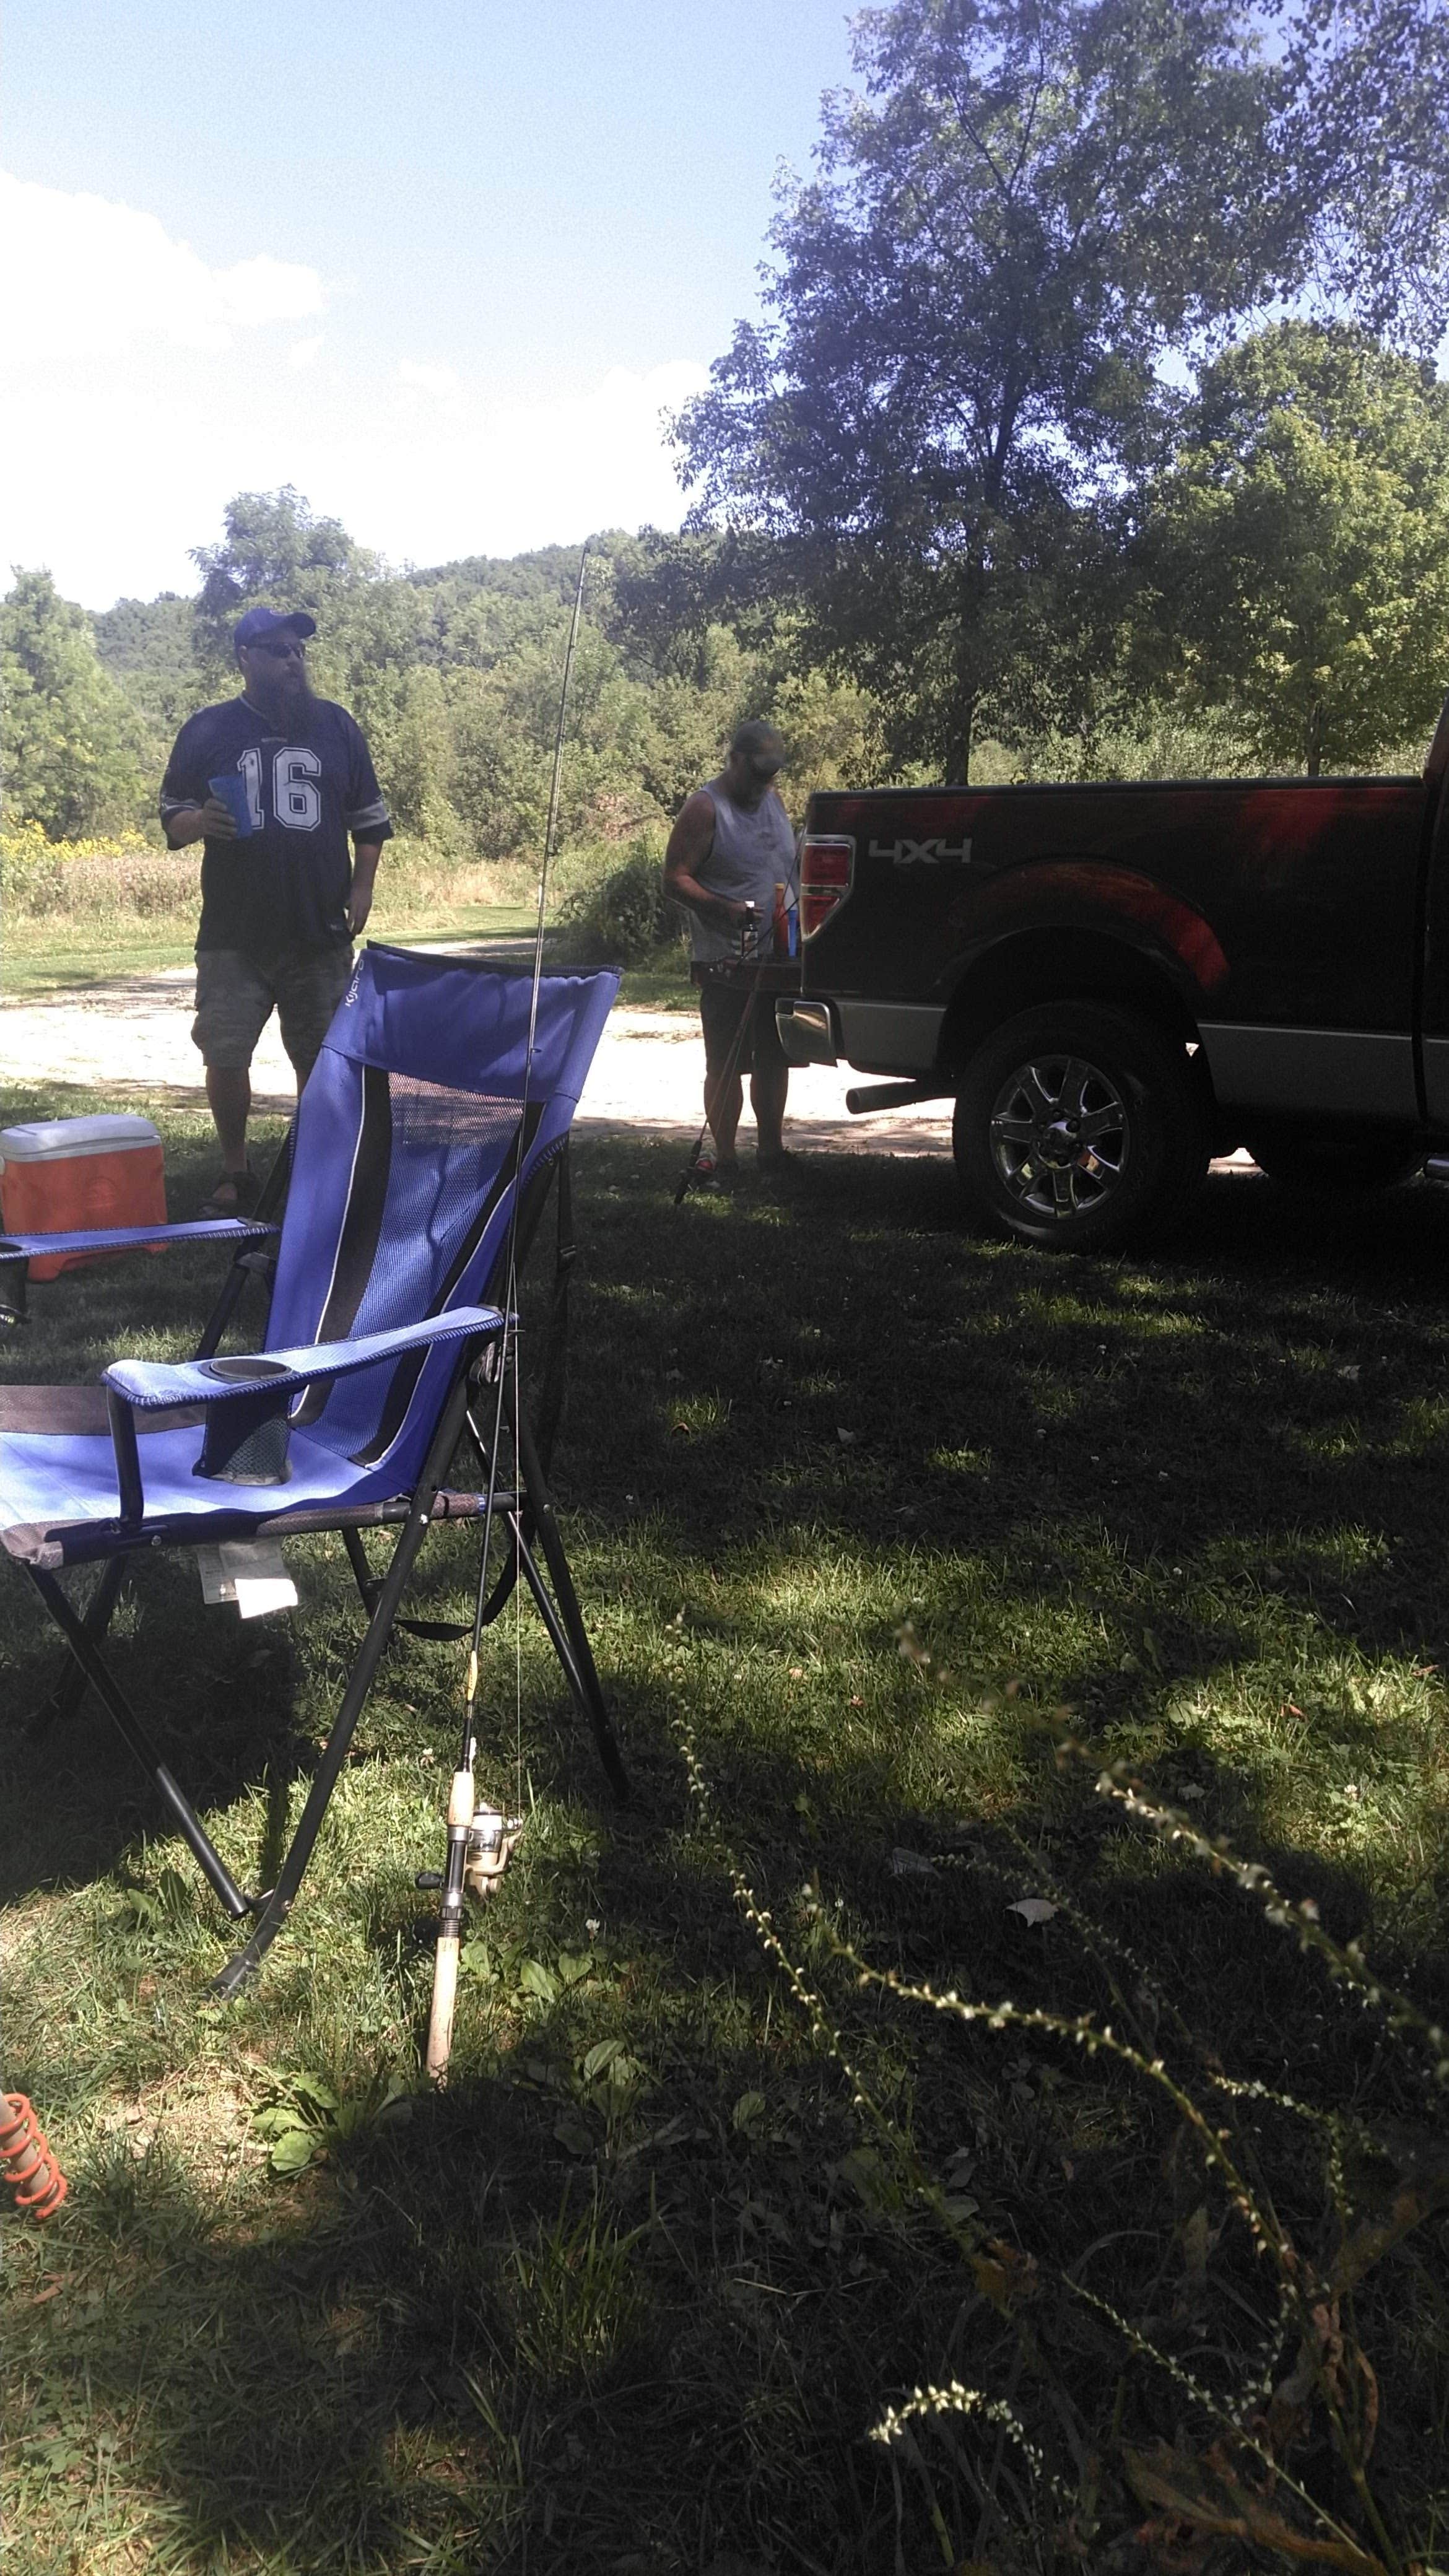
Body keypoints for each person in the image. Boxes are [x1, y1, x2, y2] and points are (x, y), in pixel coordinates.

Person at [160, 606, 393, 1214]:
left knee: (321, 1056)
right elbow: (171, 815)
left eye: (299, 651)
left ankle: (314, 1169)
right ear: (245, 657)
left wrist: (363, 886)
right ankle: (235, 1170)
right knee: (226, 1052)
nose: (295, 660)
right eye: (279, 650)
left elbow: (369, 820)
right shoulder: (208, 730)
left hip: (318, 927)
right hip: (234, 930)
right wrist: (198, 820)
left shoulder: (336, 726)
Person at [663, 718, 798, 1183]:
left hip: (776, 956)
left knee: (774, 1057)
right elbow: (675, 879)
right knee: (725, 1063)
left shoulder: (774, 801)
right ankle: (727, 1158)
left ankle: (772, 1151)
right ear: (735, 758)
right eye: (757, 771)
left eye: (772, 773)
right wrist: (723, 909)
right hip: (726, 959)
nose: (765, 782)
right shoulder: (706, 807)